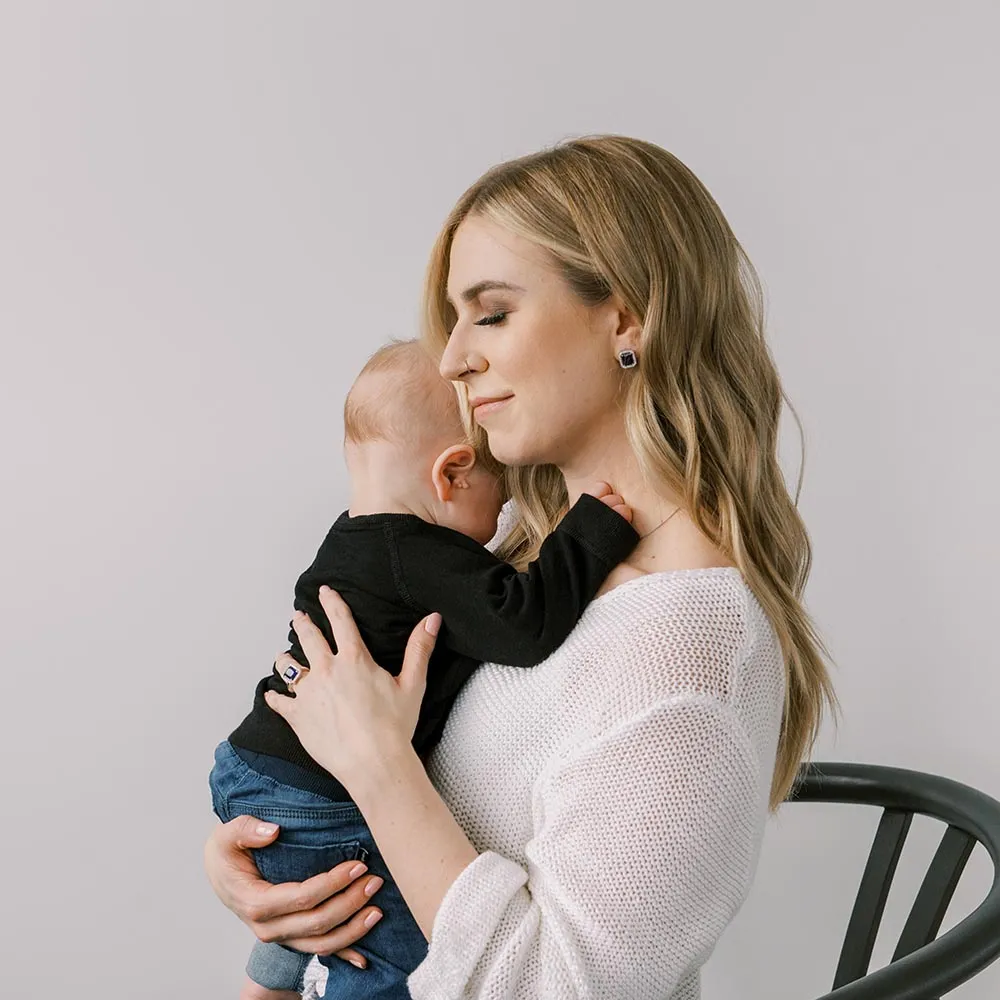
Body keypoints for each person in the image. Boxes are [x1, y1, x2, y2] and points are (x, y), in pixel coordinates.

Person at [204, 134, 838, 999]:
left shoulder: (686, 650)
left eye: (491, 313)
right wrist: (277, 852)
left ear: (625, 318)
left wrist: (377, 768)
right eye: (454, 321)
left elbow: (553, 988)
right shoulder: (522, 568)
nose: (454, 359)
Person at [210, 339, 641, 999]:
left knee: (331, 913)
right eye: (498, 505)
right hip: (315, 793)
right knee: (400, 960)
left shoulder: (353, 539)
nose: (499, 527)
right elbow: (521, 622)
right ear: (452, 474)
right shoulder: (418, 552)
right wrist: (592, 532)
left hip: (265, 775)